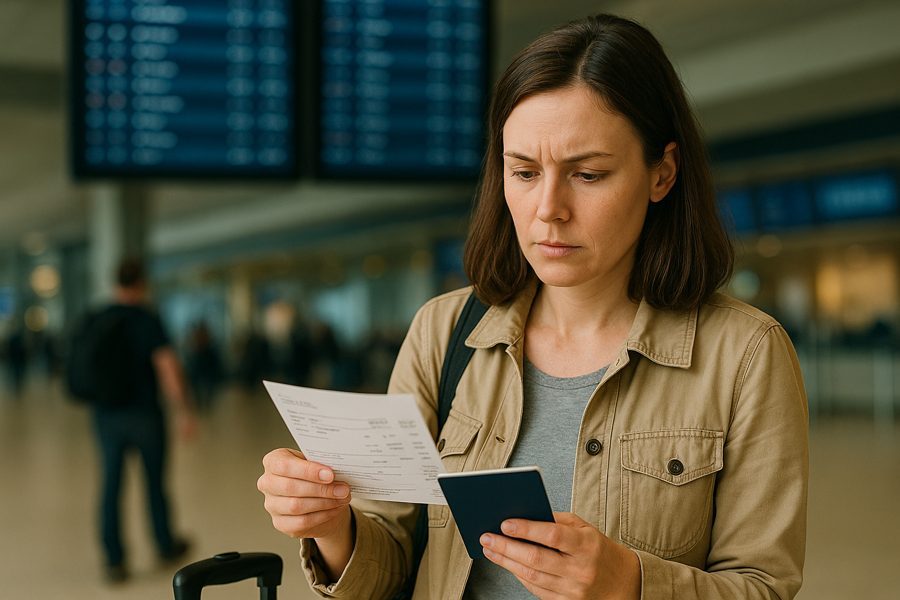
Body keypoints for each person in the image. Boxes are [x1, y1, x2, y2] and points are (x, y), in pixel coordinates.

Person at [257, 14, 808, 600]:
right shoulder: (444, 332)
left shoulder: (743, 354)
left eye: (588, 174)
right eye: (523, 172)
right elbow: (393, 558)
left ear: (662, 173)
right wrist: (332, 527)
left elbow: (763, 586)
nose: (549, 208)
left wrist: (630, 583)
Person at [87, 258, 197, 583]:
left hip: (106, 416)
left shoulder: (99, 317)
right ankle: (164, 545)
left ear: (115, 283)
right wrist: (184, 411)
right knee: (154, 484)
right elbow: (167, 368)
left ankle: (114, 560)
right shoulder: (148, 319)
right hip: (145, 415)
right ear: (142, 283)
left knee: (111, 485)